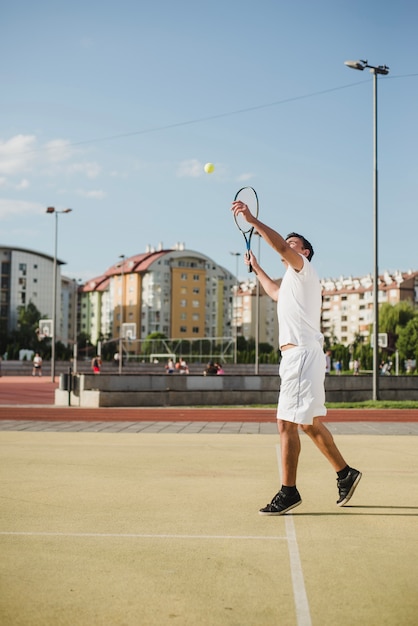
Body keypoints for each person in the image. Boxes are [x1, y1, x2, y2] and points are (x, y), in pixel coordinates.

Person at [231, 198, 362, 515]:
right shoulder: (290, 280)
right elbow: (274, 292)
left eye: (293, 244)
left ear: (303, 253)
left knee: (285, 424)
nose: (287, 246)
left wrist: (254, 222)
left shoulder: (304, 269)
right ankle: (345, 473)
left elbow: (278, 246)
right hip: (300, 356)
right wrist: (258, 269)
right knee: (308, 424)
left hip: (301, 355)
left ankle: (288, 491)